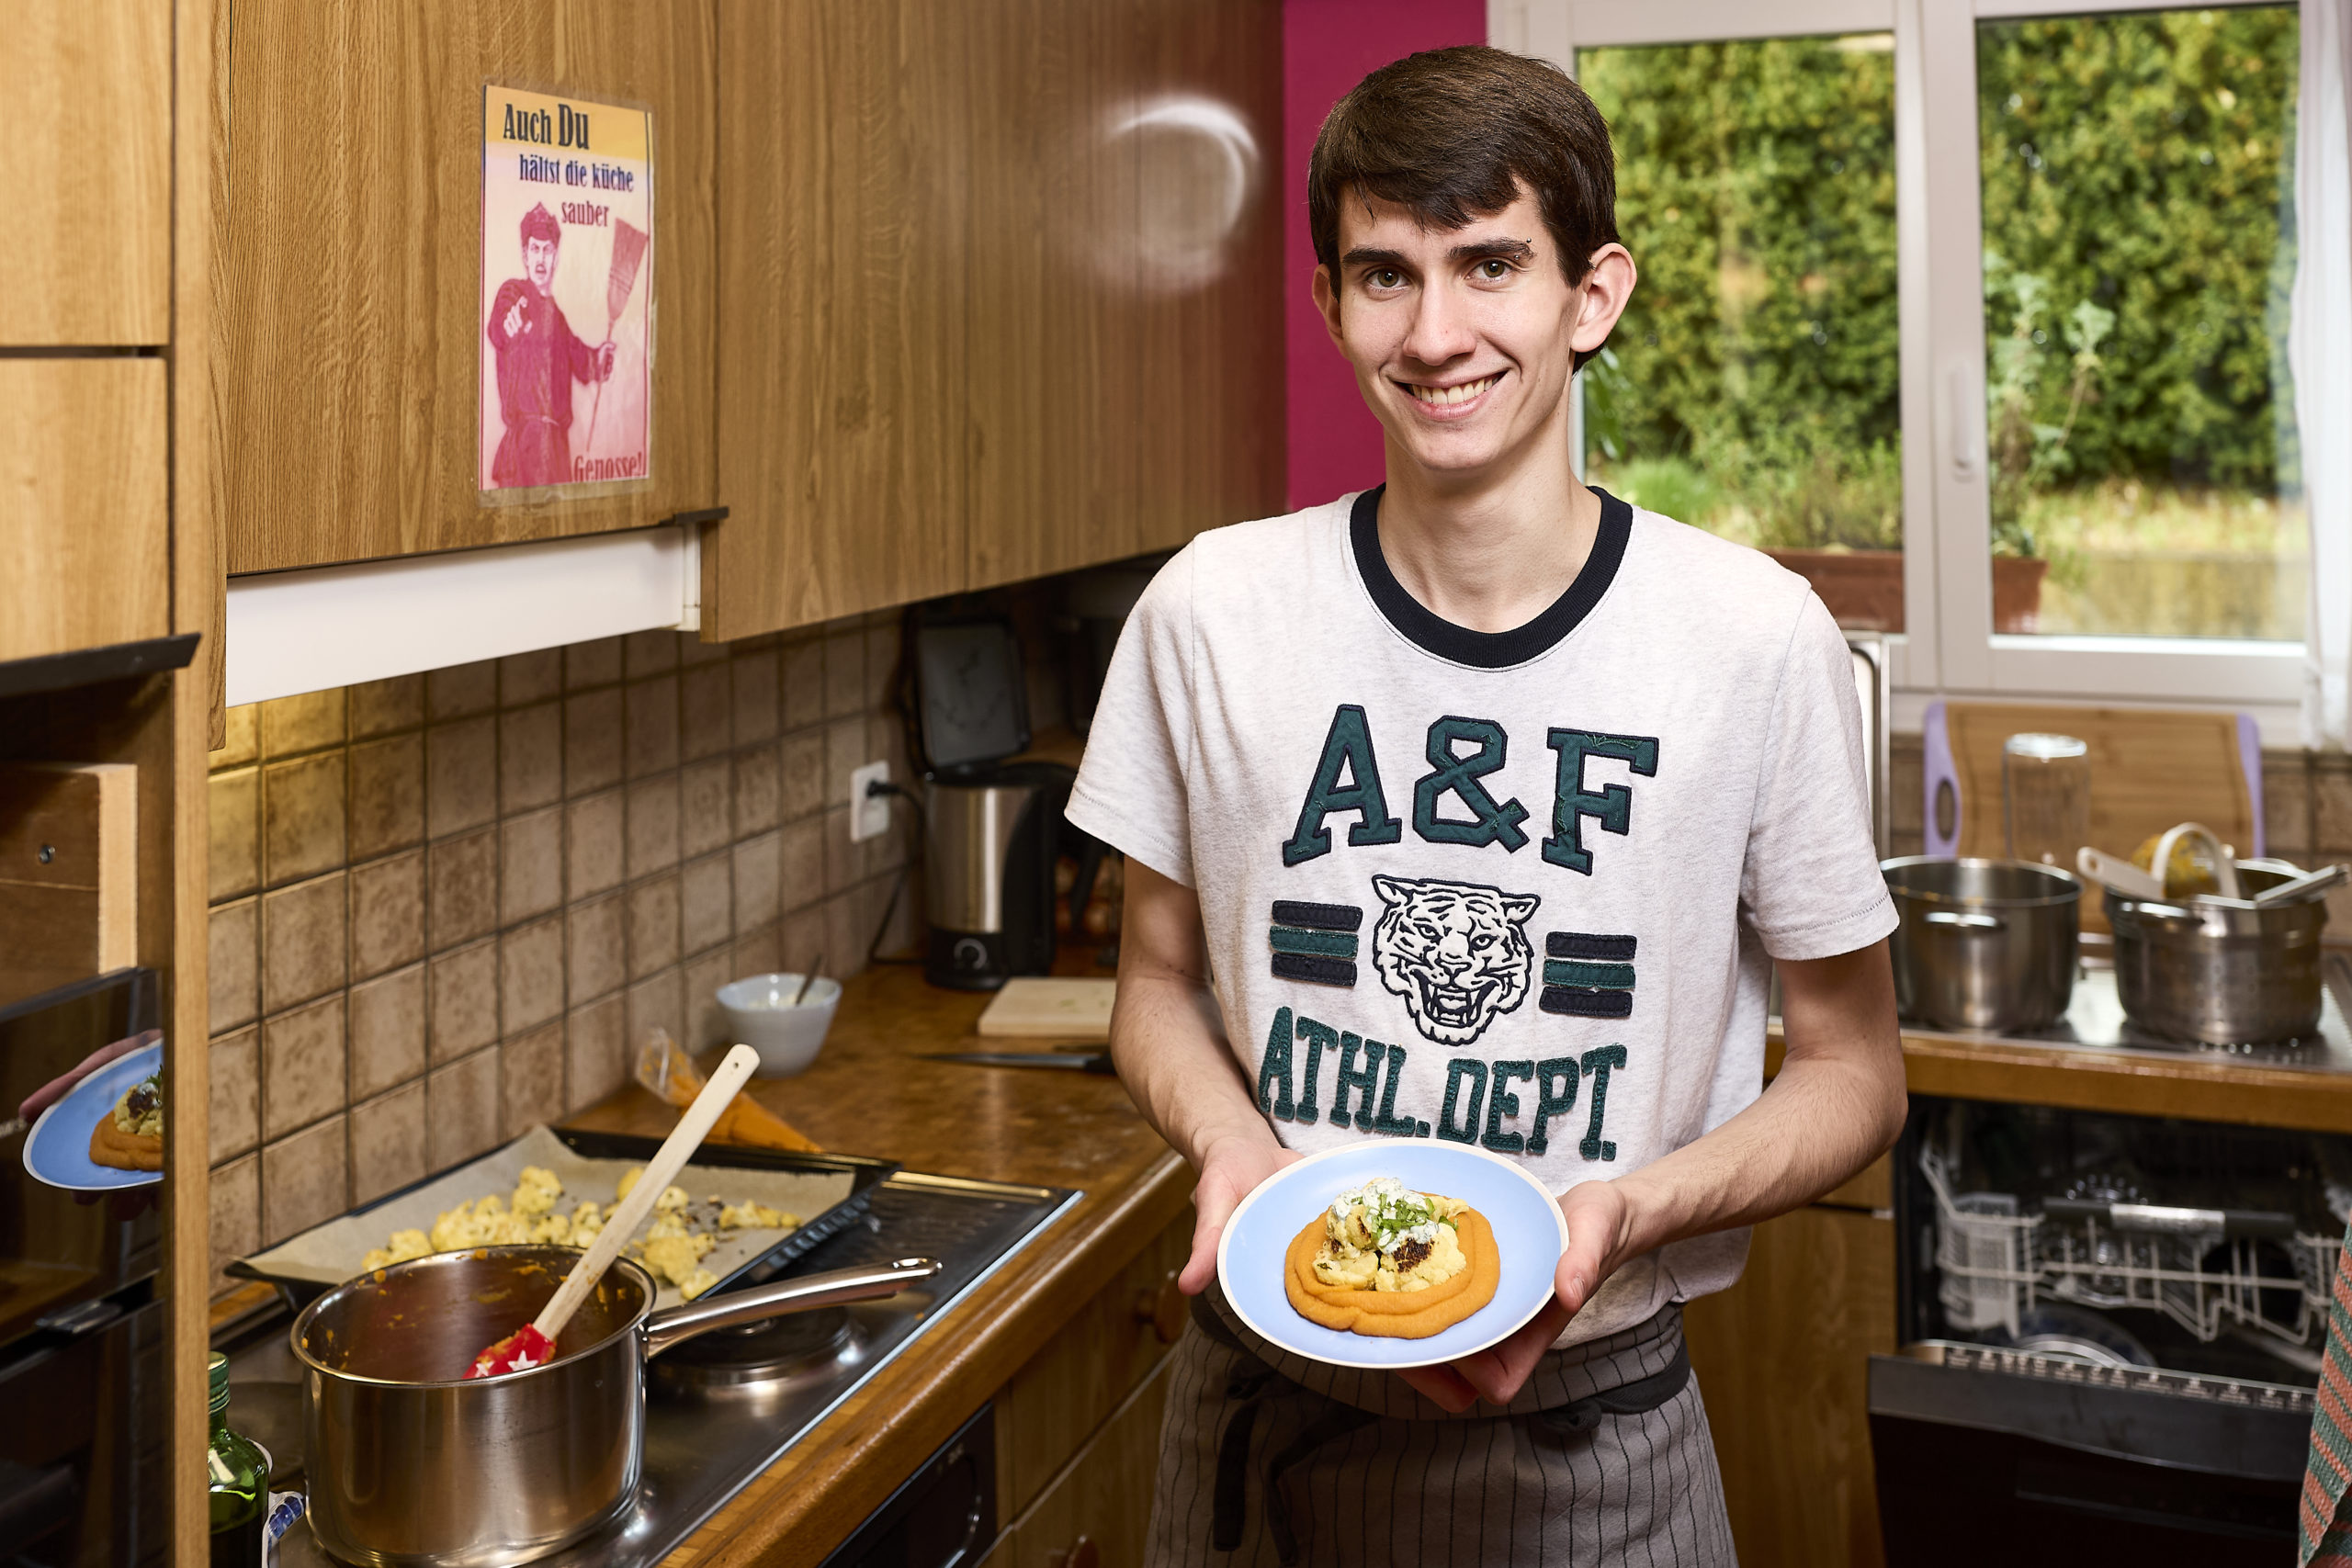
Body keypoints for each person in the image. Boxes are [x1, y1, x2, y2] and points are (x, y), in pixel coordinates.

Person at [1064, 44, 1905, 1565]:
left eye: (1491, 263)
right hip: (1260, 1420)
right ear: (1327, 302)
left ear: (1595, 294)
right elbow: (1153, 984)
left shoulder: (1748, 636)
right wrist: (1227, 1144)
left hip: (1600, 1446)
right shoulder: (1210, 612)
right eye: (1384, 274)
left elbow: (1855, 1071)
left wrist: (1627, 1212)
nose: (1435, 331)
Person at [486, 203, 616, 489]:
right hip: (524, 449)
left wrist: (599, 358)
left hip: (556, 451)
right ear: (525, 254)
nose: (541, 258)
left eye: (547, 250)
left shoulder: (557, 318)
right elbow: (499, 326)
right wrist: (509, 322)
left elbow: (583, 360)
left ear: (556, 257)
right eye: (534, 249)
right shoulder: (512, 292)